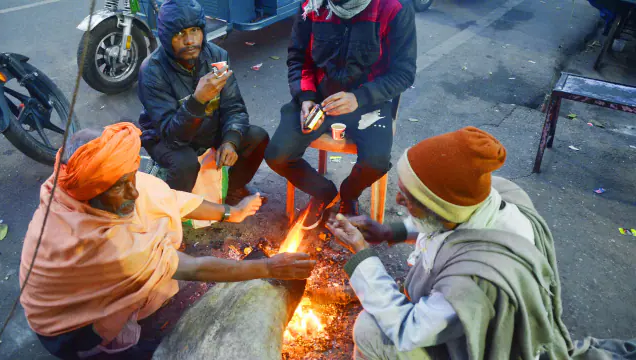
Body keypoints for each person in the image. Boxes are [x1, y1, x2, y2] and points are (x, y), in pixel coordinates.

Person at [19, 123, 316, 360]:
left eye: (131, 177)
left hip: (93, 281)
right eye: (120, 187)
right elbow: (195, 269)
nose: (133, 192)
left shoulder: (76, 182)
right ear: (91, 191)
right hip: (70, 332)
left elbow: (169, 199)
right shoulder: (104, 244)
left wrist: (231, 212)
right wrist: (269, 269)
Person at [327, 127, 575, 359]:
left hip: (470, 347)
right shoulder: (483, 196)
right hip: (455, 306)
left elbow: (407, 330)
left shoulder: (475, 279)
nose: (398, 199)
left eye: (409, 198)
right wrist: (388, 232)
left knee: (369, 330)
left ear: (439, 209)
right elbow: (436, 222)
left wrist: (362, 254)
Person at [264, 0, 417, 229]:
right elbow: (298, 58)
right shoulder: (312, 5)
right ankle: (325, 193)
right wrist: (305, 96)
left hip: (368, 102)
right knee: (277, 155)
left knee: (376, 162)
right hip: (318, 98)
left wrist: (359, 98)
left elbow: (403, 73)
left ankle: (348, 195)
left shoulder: (394, 7)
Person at [138, 0, 269, 205]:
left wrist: (230, 141)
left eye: (194, 30)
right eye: (180, 34)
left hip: (208, 127)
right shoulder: (152, 71)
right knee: (185, 164)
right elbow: (172, 137)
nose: (190, 40)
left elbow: (234, 107)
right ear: (165, 37)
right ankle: (172, 211)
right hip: (164, 137)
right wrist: (198, 100)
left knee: (257, 137)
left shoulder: (216, 56)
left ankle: (231, 190)